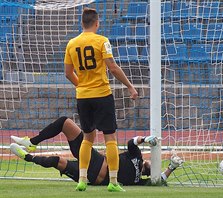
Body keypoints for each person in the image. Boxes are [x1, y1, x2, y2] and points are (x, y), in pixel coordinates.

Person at [64, 8, 138, 192]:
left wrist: (81, 86)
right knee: (110, 138)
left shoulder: (71, 43)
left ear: (82, 23)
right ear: (97, 23)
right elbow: (112, 67)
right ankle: (113, 181)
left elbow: (67, 73)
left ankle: (82, 180)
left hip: (83, 97)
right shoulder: (102, 41)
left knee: (87, 138)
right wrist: (130, 86)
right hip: (102, 95)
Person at [10, 117, 184, 186]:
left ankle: (27, 157)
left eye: (155, 166)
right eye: (154, 161)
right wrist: (146, 139)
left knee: (58, 162)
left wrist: (172, 167)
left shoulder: (141, 181)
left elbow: (159, 180)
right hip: (95, 161)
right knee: (66, 123)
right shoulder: (136, 157)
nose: (153, 163)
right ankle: (31, 146)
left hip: (91, 178)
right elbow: (133, 142)